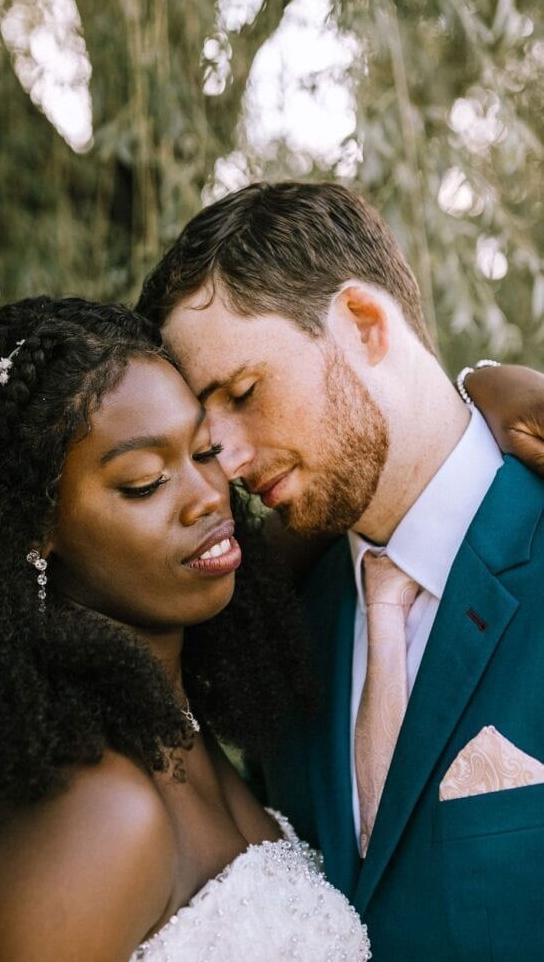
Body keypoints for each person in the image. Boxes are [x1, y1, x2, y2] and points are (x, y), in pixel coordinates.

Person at [0, 296, 371, 961]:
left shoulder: (163, 717)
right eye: (144, 482)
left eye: (204, 450)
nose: (207, 494)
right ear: (31, 532)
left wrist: (481, 395)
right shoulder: (89, 811)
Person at [136, 181, 544, 961]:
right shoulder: (272, 624)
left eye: (245, 393)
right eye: (204, 432)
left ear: (363, 322)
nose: (229, 463)